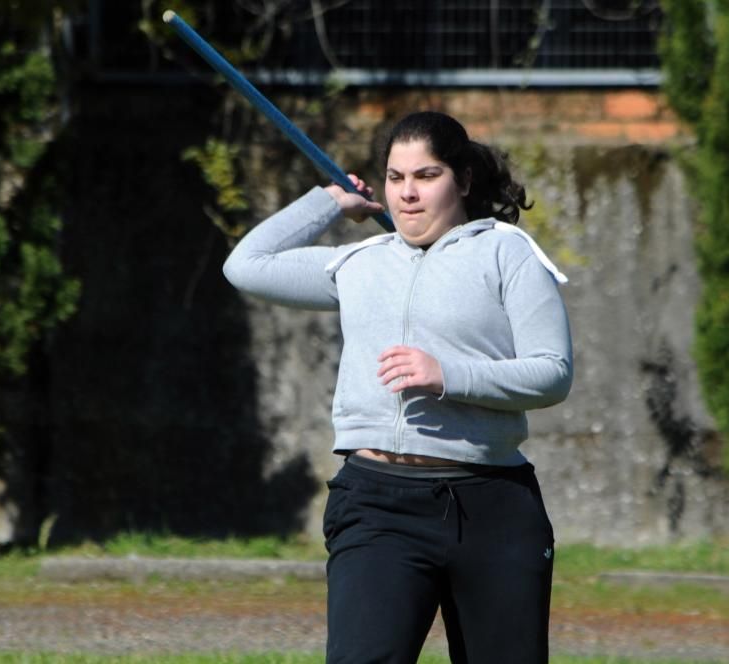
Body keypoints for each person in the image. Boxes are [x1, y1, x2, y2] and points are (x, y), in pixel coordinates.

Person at [222, 110, 573, 663]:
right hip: (377, 505)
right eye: (395, 177)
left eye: (426, 176)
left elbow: (553, 372)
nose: (407, 194)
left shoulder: (508, 253)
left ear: (462, 179)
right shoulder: (358, 261)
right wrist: (328, 203)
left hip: (491, 506)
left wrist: (449, 375)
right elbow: (246, 265)